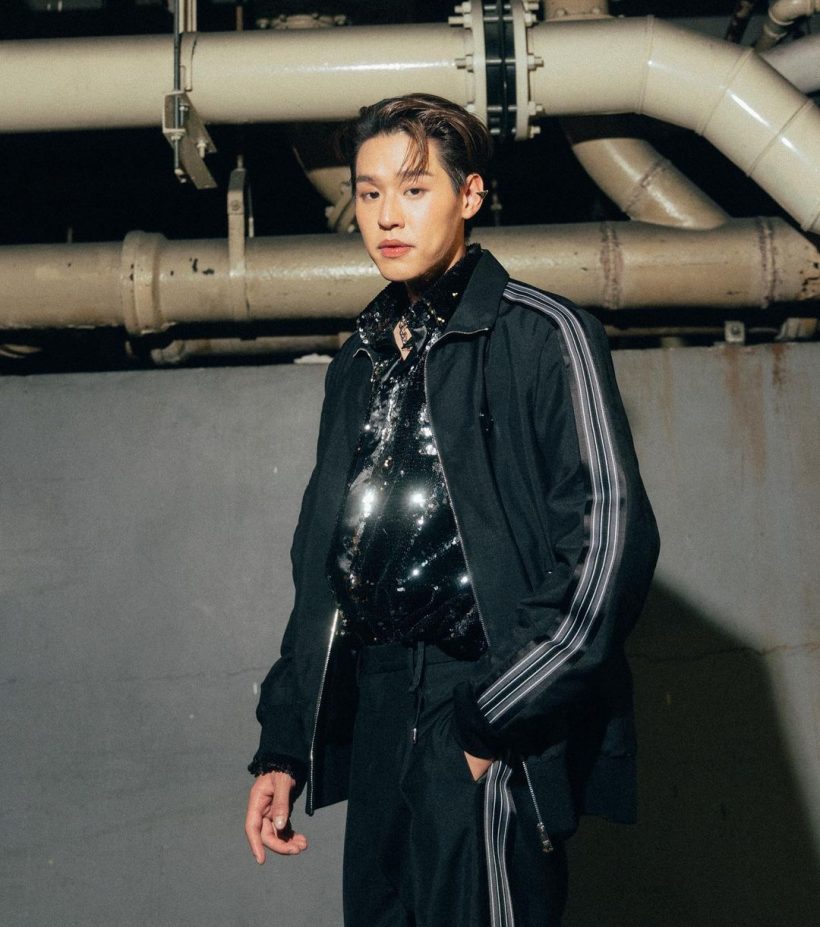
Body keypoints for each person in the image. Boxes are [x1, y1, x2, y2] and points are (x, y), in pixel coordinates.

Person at [244, 93, 659, 926]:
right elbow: (322, 565)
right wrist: (285, 743)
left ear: (470, 195)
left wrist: (486, 722)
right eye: (369, 193)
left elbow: (611, 545)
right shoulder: (359, 362)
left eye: (413, 188)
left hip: (480, 701)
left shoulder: (545, 334)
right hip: (380, 702)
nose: (386, 215)